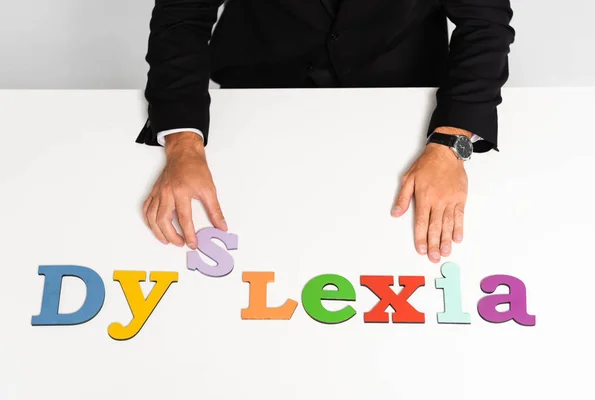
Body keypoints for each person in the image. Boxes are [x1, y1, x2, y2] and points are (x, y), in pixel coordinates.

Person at [136, 0, 515, 264]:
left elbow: (485, 23)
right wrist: (182, 141)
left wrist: (451, 142)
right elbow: (183, 11)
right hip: (259, 75)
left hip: (400, 85)